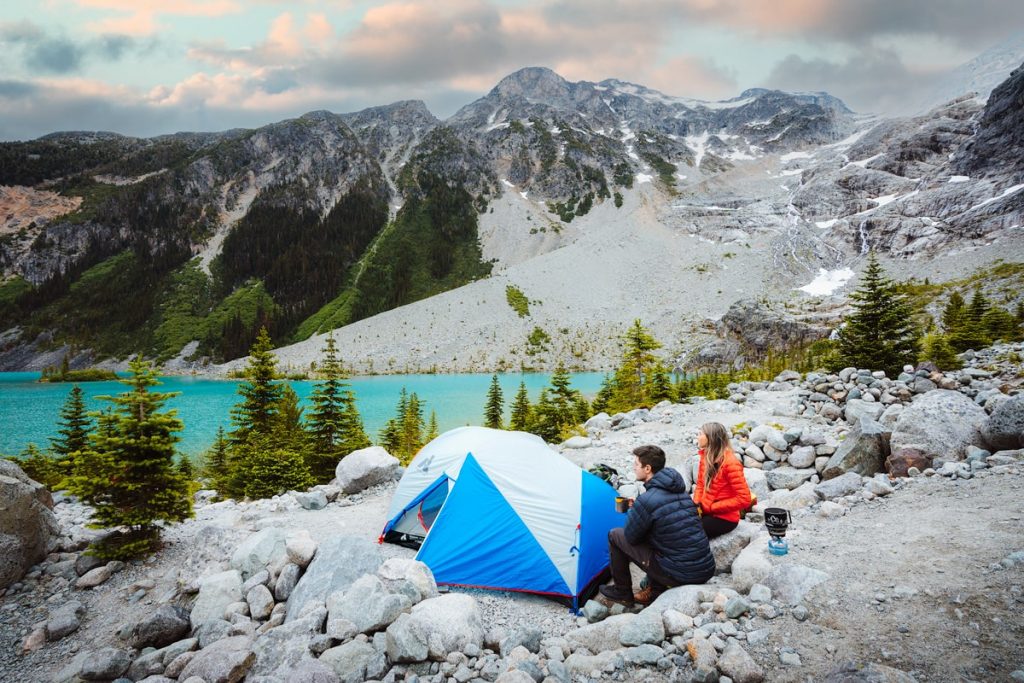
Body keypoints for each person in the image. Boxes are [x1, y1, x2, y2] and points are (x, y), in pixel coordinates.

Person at [598, 445, 716, 606]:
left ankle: (622, 592)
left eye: (636, 465)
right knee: (660, 536)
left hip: (681, 574)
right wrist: (640, 509)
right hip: (705, 569)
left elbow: (631, 538)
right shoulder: (682, 493)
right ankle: (655, 589)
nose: (633, 468)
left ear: (647, 468)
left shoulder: (647, 500)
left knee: (615, 535)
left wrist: (635, 512)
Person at [692, 422, 752, 538]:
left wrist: (712, 507)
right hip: (706, 510)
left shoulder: (730, 463)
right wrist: (696, 504)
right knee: (676, 524)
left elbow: (744, 499)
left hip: (724, 518)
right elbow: (700, 484)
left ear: (710, 438)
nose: (697, 437)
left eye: (700, 434)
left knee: (688, 533)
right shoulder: (706, 457)